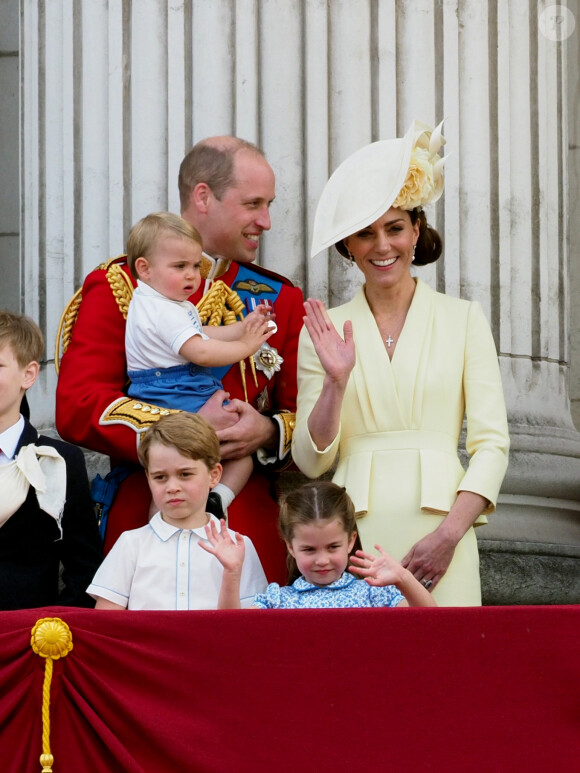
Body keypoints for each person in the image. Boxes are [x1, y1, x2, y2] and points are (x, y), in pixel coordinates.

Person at [56, 137, 304, 583]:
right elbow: (79, 405)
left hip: (245, 517)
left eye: (269, 205)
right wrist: (181, 434)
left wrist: (266, 431)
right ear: (203, 196)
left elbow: (303, 414)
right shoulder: (122, 286)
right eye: (253, 204)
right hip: (148, 511)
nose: (266, 221)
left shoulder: (279, 299)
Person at [292, 121, 510, 606]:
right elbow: (311, 462)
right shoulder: (325, 330)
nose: (382, 246)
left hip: (442, 531)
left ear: (416, 231)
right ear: (348, 246)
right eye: (365, 234)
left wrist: (449, 536)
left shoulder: (464, 319)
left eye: (394, 228)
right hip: (352, 538)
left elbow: (492, 444)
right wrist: (335, 381)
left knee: (446, 670)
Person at [125, 211, 275, 514]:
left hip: (177, 385)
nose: (193, 275)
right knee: (208, 454)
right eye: (180, 266)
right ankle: (207, 503)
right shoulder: (162, 309)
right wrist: (247, 345)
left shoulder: (164, 301)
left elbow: (202, 333)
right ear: (145, 268)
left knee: (182, 465)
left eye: (196, 265)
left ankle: (213, 502)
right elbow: (202, 352)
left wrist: (244, 327)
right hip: (173, 389)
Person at [87, 412, 267, 610]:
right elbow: (108, 621)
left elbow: (251, 625)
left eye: (185, 474)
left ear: (214, 475)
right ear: (148, 478)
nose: (172, 487)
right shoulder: (131, 544)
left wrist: (232, 573)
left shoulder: (238, 546)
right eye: (160, 477)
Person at [0, 311, 102, 609]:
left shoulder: (61, 461)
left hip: (30, 640)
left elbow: (84, 567)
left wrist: (51, 631)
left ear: (29, 374)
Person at [202, 480, 436, 609]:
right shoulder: (279, 600)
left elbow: (431, 623)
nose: (322, 560)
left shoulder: (373, 595)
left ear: (350, 541)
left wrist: (404, 578)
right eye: (309, 549)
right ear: (290, 547)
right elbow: (232, 631)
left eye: (332, 547)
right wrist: (232, 573)